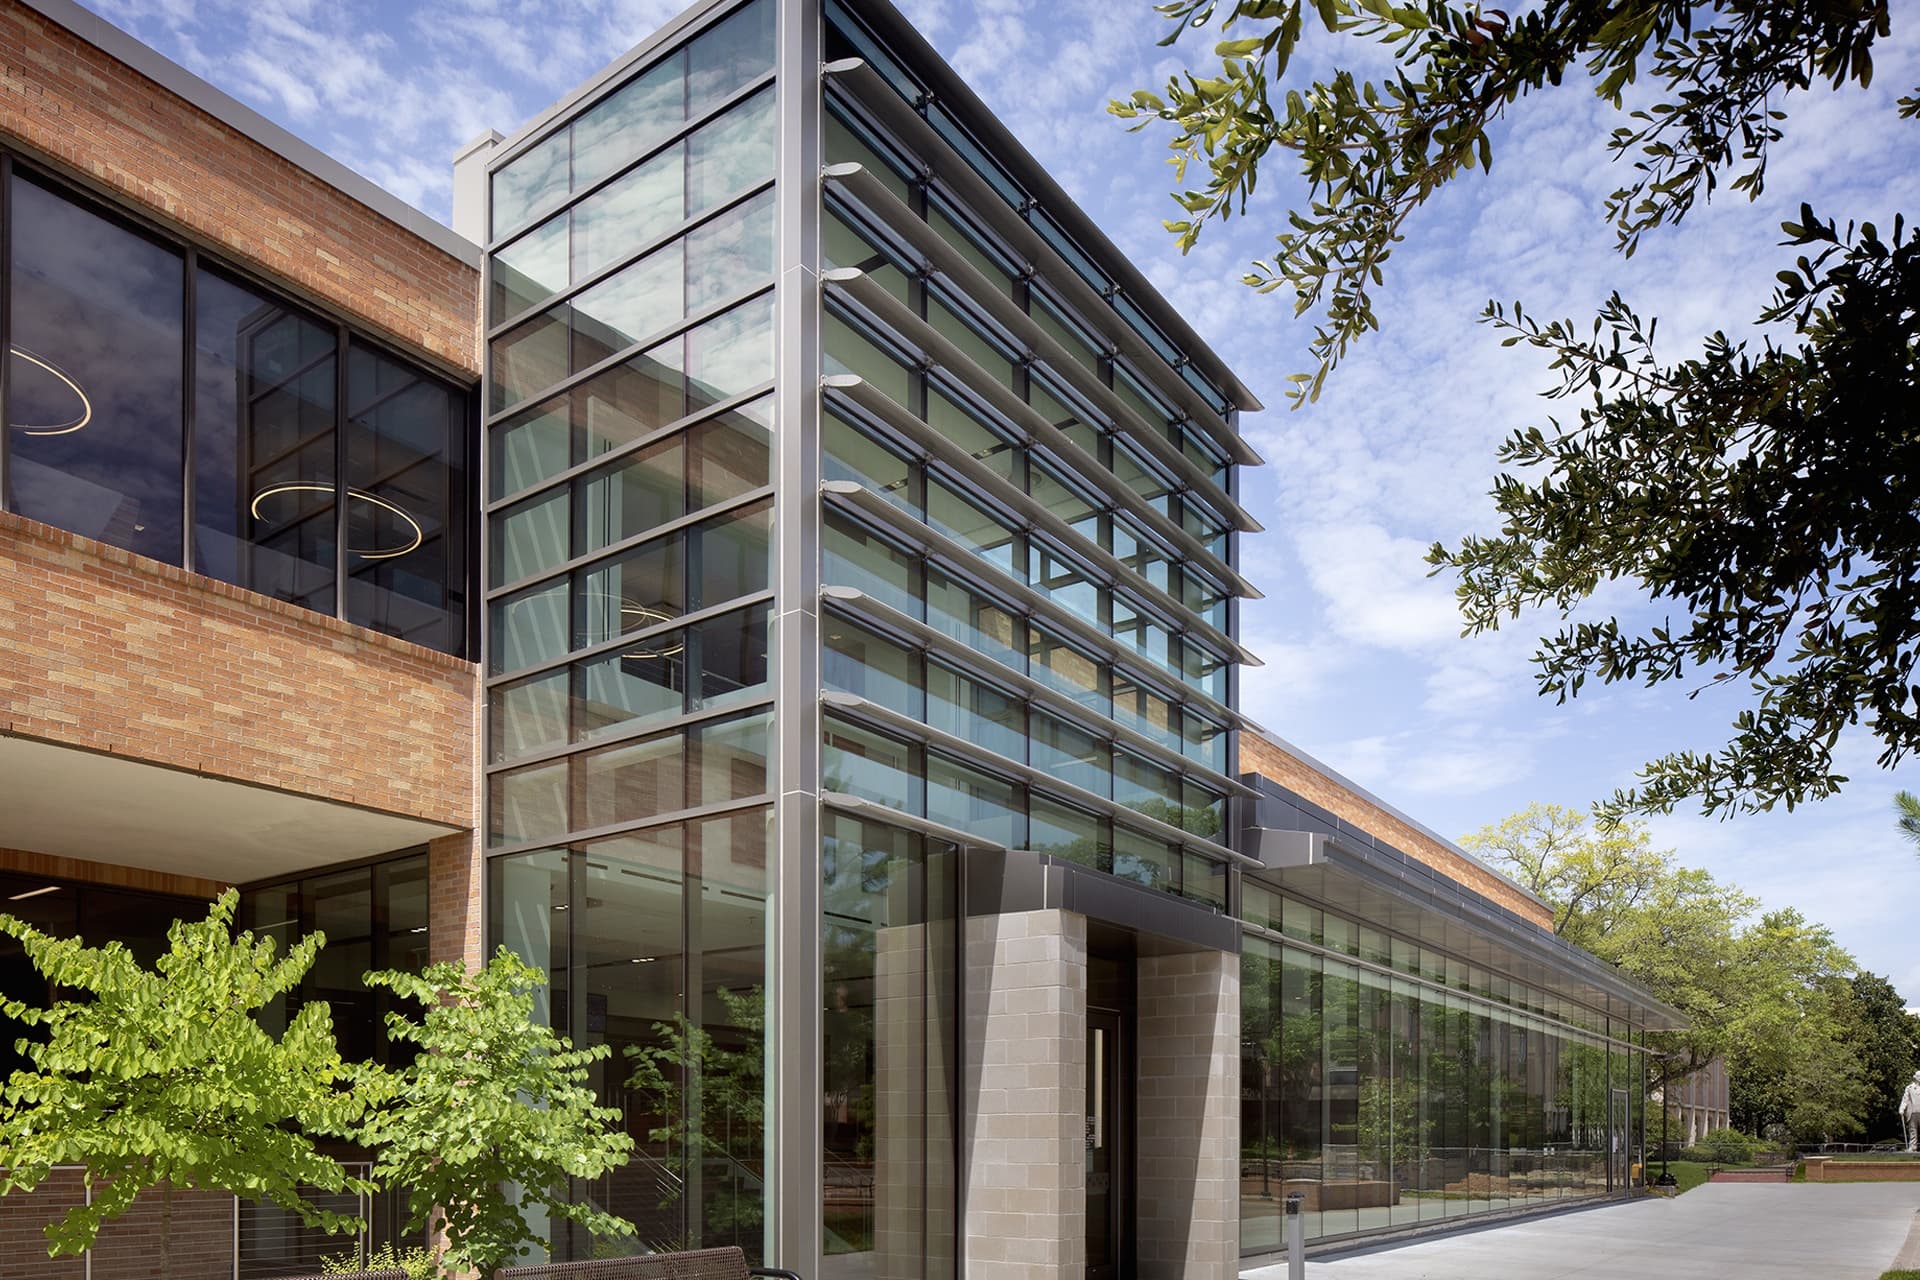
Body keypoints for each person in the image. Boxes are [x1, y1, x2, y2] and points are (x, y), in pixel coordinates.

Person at [1900, 1069, 1920, 1153]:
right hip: (1912, 1112)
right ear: (1915, 1077)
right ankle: (1912, 1147)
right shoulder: (1909, 1088)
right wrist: (1902, 1108)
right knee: (1913, 1131)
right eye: (1918, 1076)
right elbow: (1905, 1099)